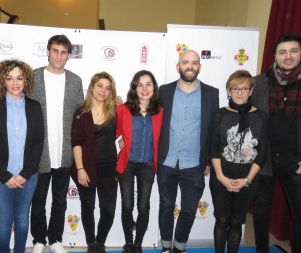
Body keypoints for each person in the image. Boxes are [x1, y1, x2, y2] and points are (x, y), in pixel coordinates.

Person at [252, 33, 301, 253]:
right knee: (260, 211)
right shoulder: (260, 82)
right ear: (275, 55)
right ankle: (261, 250)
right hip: (264, 158)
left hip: (299, 160)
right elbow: (248, 117)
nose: (288, 56)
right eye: (282, 52)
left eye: (293, 51)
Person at [157, 49, 219, 253]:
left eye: (194, 62)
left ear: (199, 67)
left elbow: (213, 130)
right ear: (178, 66)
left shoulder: (212, 93)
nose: (190, 66)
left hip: (195, 164)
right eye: (185, 62)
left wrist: (209, 160)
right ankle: (166, 247)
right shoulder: (164, 91)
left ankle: (179, 248)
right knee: (166, 207)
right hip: (167, 161)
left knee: (190, 210)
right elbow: (148, 116)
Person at [0, 60, 44, 253]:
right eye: (9, 78)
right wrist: (5, 176)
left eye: (19, 78)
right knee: (3, 223)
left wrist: (25, 173)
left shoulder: (34, 107)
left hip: (28, 177)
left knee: (23, 219)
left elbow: (38, 143)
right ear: (3, 81)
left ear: (26, 80)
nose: (15, 83)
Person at [28, 34, 84, 253]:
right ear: (48, 52)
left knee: (60, 200)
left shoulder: (75, 80)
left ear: (69, 55)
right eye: (55, 51)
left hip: (65, 152)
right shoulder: (32, 77)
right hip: (38, 152)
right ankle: (39, 240)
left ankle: (56, 240)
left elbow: (82, 113)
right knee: (38, 201)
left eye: (63, 52)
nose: (59, 56)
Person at [209, 70, 268, 253]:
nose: (240, 92)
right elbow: (213, 148)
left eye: (244, 88)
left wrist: (247, 180)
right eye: (235, 88)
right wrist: (221, 177)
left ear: (251, 91)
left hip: (248, 180)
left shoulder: (261, 116)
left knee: (236, 221)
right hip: (221, 178)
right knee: (222, 219)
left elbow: (262, 152)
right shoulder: (220, 114)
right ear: (228, 91)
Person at [116, 70, 163, 253]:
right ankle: (128, 242)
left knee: (143, 206)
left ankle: (138, 244)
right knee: (127, 205)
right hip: (127, 164)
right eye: (140, 84)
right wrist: (118, 141)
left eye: (148, 84)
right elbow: (112, 131)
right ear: (134, 88)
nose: (144, 88)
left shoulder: (160, 112)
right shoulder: (122, 110)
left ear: (154, 88)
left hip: (149, 165)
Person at [71, 72, 118, 253]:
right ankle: (91, 243)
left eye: (107, 88)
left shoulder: (115, 111)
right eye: (100, 86)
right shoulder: (81, 113)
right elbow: (76, 143)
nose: (103, 91)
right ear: (92, 87)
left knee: (108, 210)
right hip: (86, 166)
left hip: (109, 168)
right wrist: (81, 169)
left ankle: (100, 242)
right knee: (88, 207)